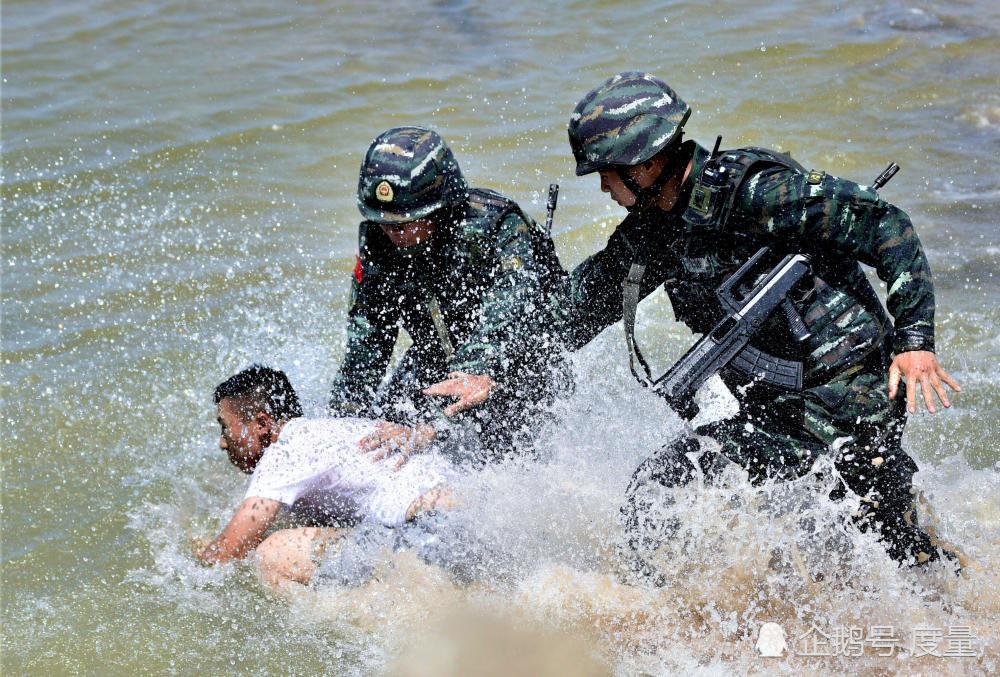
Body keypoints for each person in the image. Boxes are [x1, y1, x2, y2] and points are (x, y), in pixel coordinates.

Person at [438, 72, 962, 574]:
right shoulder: (654, 232)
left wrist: (915, 340)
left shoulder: (755, 193)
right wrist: (491, 369)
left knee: (891, 542)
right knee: (664, 487)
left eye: (606, 173)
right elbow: (573, 310)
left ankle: (953, 604)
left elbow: (884, 223)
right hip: (774, 407)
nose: (603, 188)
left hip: (851, 391)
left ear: (643, 164)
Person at [328, 126, 570, 466]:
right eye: (383, 221)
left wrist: (434, 426)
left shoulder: (498, 226)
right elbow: (367, 344)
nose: (392, 232)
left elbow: (509, 319)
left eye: (404, 222)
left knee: (497, 464)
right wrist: (340, 424)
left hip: (514, 371)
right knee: (369, 443)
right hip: (433, 365)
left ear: (441, 207)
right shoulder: (379, 241)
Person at [195, 365, 455, 587]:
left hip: (432, 529)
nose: (222, 443)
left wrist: (190, 551)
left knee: (270, 555)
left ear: (261, 424)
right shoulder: (325, 431)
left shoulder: (283, 454)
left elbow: (227, 554)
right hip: (456, 503)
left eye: (225, 427)